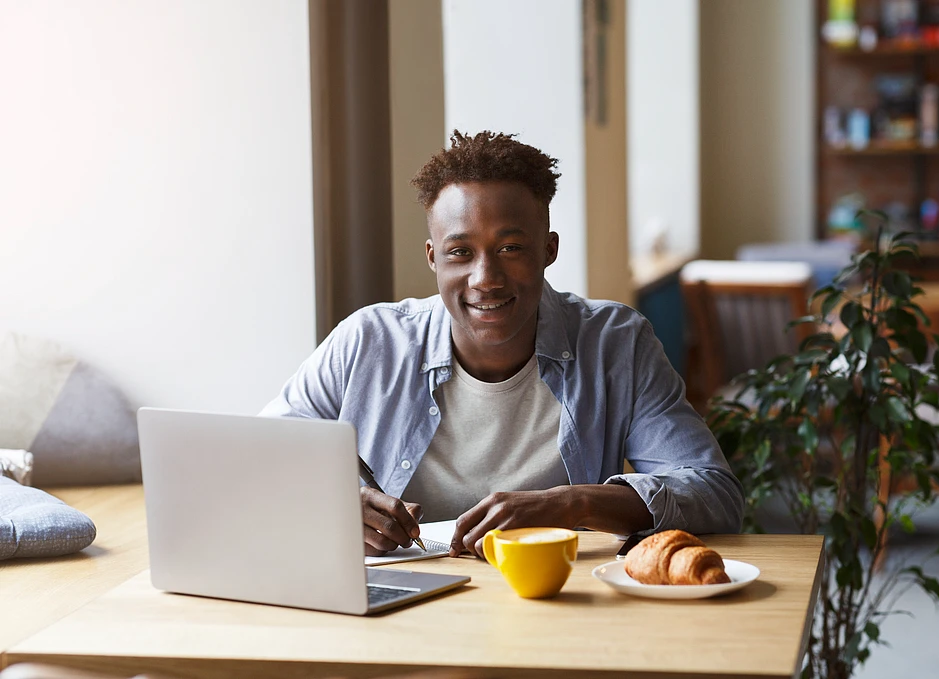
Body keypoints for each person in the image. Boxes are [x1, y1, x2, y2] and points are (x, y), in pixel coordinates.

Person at [261, 130, 743, 559]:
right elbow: (258, 465)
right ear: (434, 258)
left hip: (551, 607)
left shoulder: (615, 344)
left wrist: (572, 502)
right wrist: (335, 502)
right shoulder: (368, 342)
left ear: (549, 250)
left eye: (510, 248)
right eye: (460, 252)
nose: (485, 278)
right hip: (396, 611)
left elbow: (713, 494)